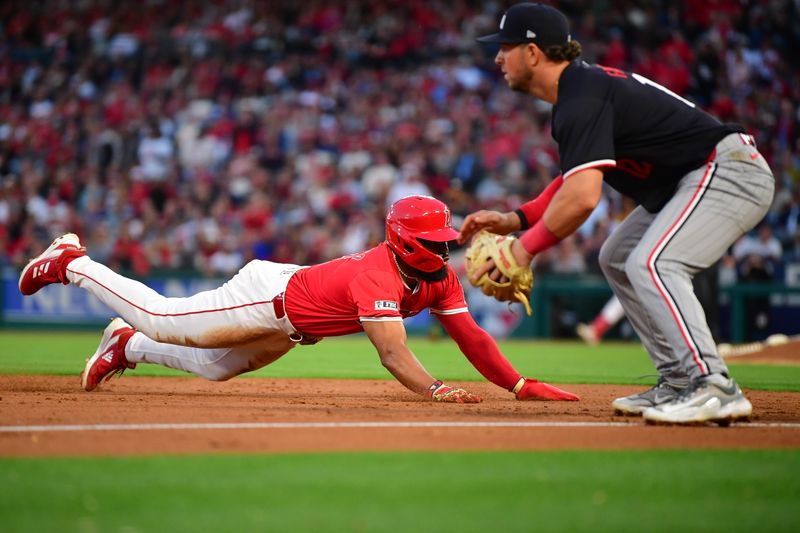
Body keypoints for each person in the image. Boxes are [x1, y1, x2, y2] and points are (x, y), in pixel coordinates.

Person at [458, 3, 775, 424]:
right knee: (617, 257)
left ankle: (711, 382)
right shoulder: (578, 91)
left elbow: (584, 199)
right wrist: (516, 220)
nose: (498, 57)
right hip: (695, 178)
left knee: (654, 263)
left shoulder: (581, 95)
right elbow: (571, 183)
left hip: (727, 170)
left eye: (506, 47)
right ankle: (680, 381)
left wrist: (524, 249)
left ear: (533, 53)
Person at [18, 195, 579, 404]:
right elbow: (391, 353)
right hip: (267, 296)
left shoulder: (439, 279)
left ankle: (125, 347)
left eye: (444, 241)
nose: (442, 248)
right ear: (404, 238)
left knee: (214, 369)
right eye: (432, 242)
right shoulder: (376, 274)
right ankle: (74, 262)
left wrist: (519, 384)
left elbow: (473, 337)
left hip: (294, 323)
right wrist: (435, 390)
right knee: (164, 317)